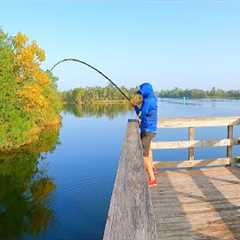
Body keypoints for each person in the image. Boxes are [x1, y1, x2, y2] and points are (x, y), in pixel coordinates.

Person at [132, 82, 158, 187]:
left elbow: (141, 114)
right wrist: (136, 106)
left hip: (147, 130)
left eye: (142, 92)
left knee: (144, 155)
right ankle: (151, 168)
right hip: (150, 130)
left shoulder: (148, 101)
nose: (141, 94)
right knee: (148, 151)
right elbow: (142, 112)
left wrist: (135, 106)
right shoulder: (152, 99)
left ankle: (152, 179)